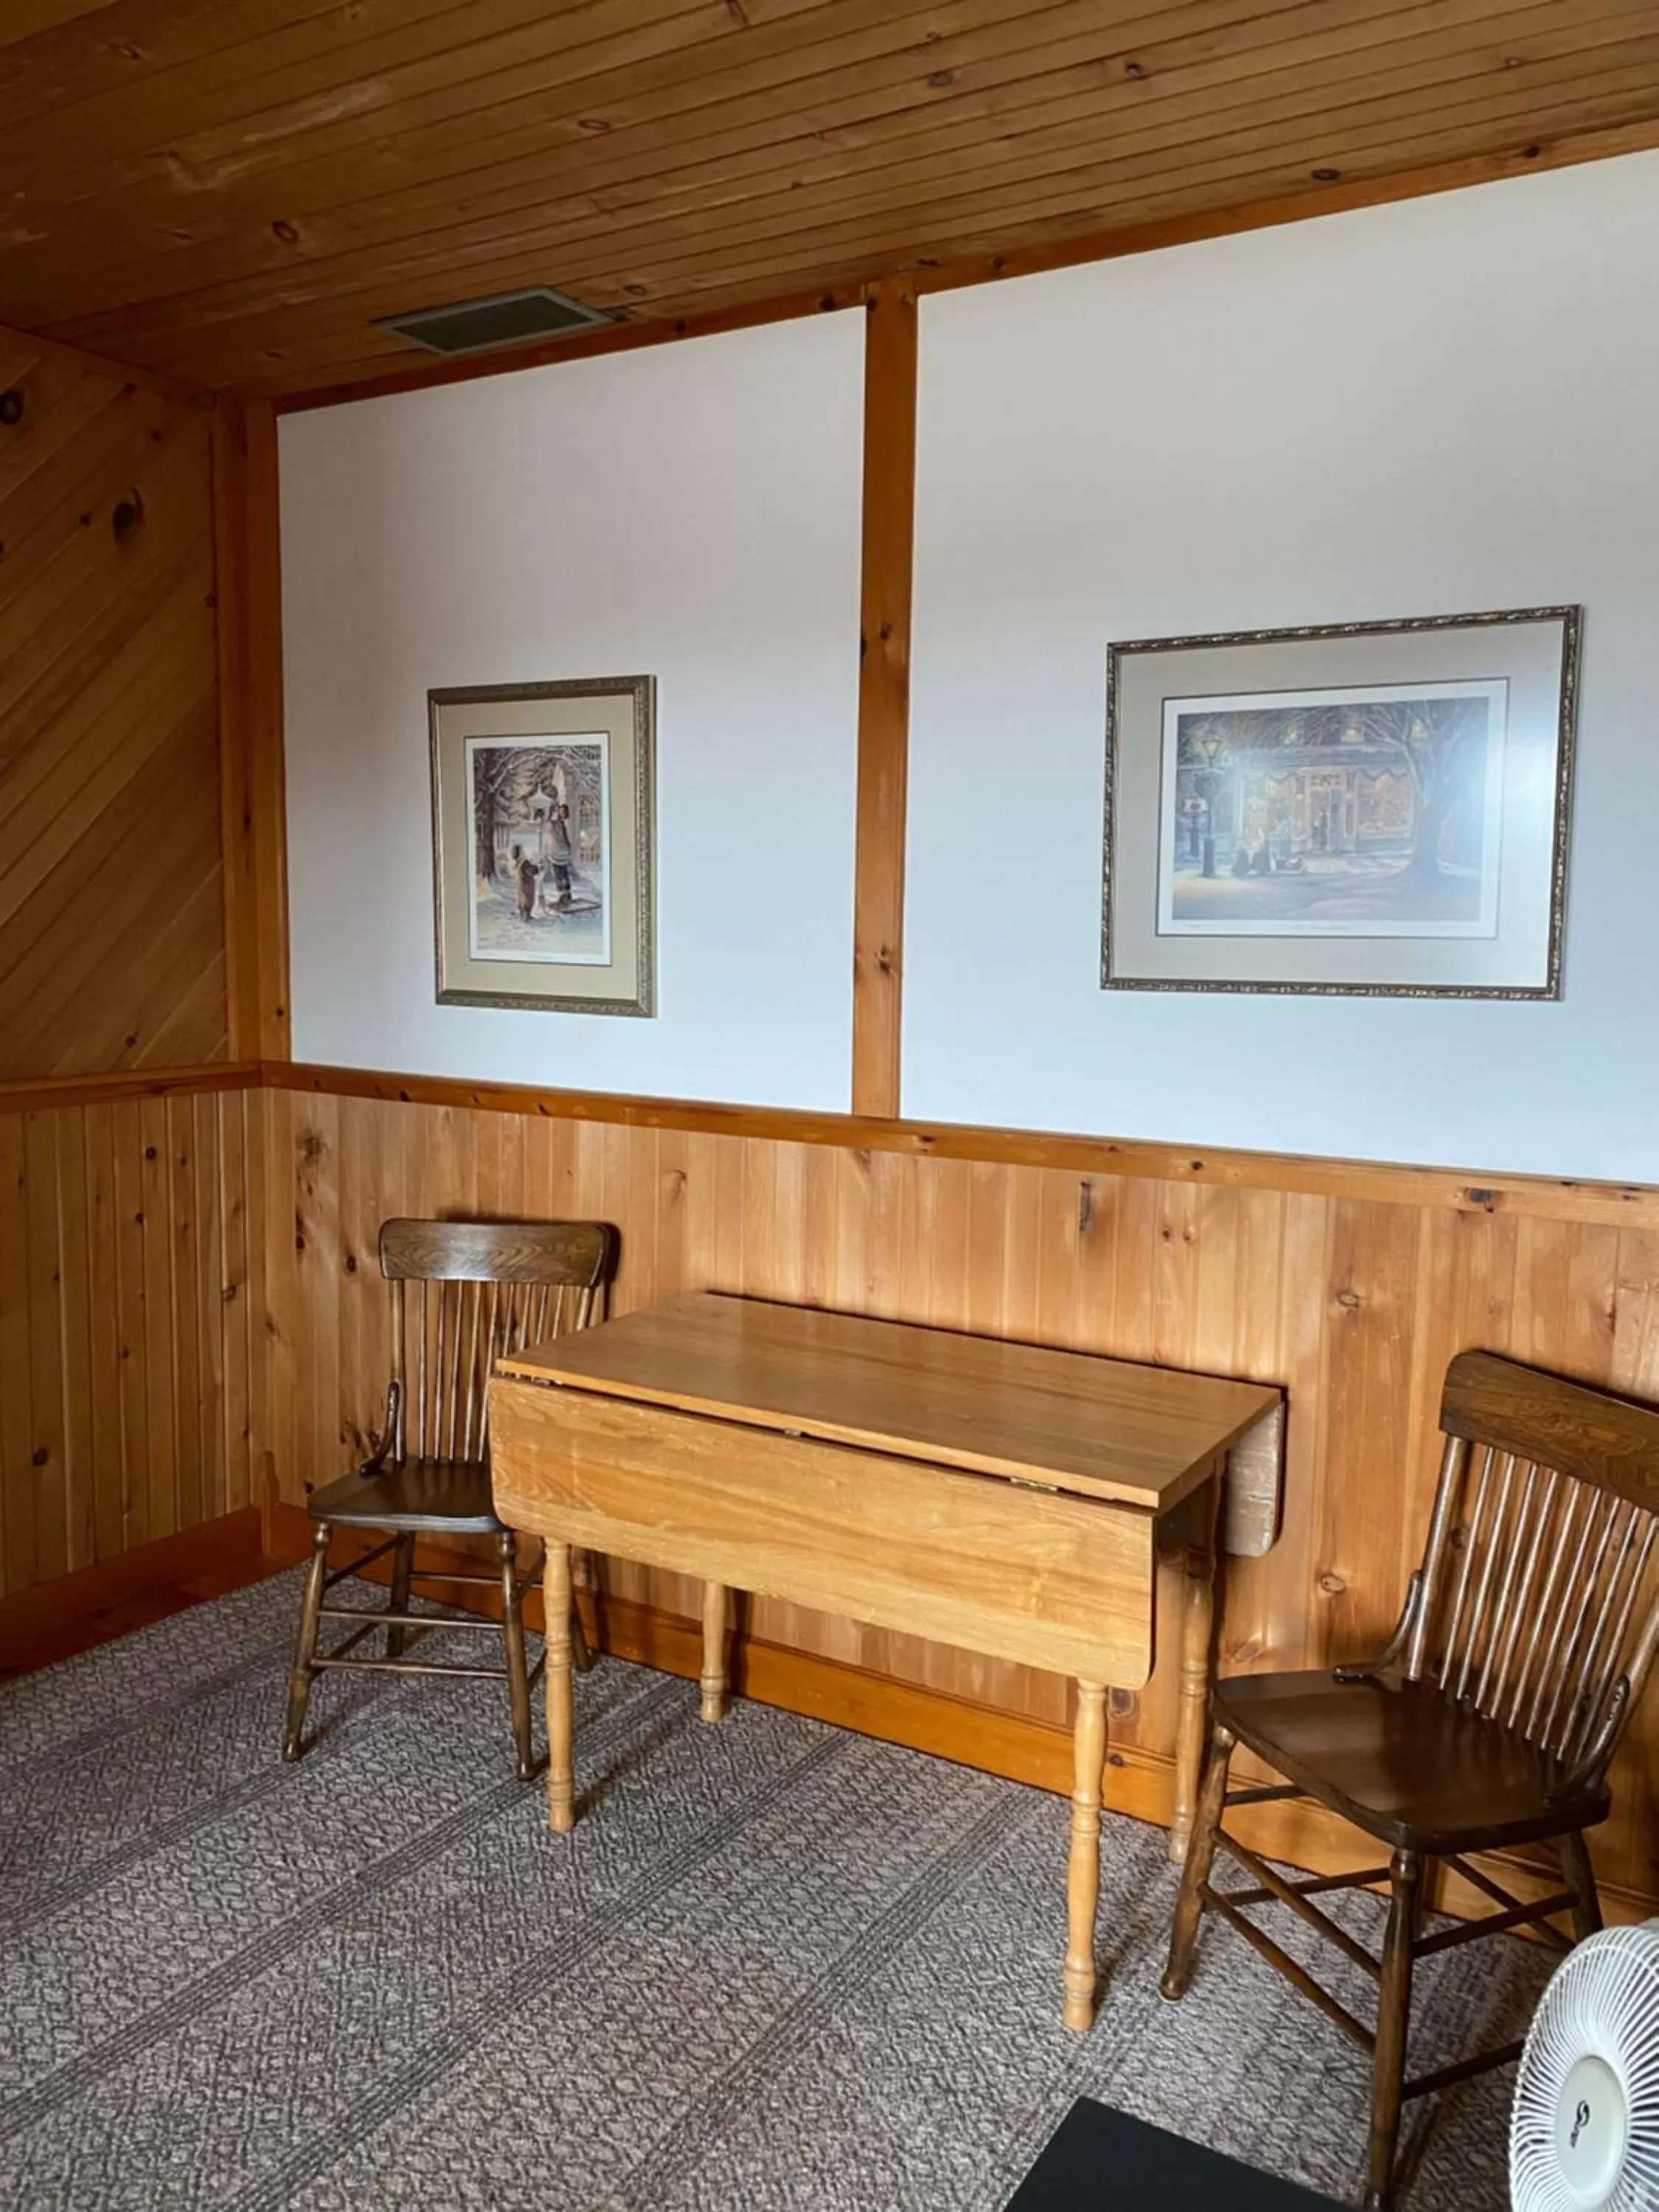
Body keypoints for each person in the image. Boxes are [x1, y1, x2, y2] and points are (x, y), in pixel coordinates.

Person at [546, 802, 574, 908]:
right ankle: (565, 895)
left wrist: (567, 847)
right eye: (560, 811)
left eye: (563, 812)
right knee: (562, 874)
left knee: (560, 874)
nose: (561, 813)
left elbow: (562, 838)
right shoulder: (558, 823)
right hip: (558, 851)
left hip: (559, 852)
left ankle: (564, 895)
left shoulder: (559, 824)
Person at [512, 844, 538, 921]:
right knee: (527, 899)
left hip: (522, 885)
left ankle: (524, 913)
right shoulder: (524, 862)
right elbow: (530, 871)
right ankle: (526, 914)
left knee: (522, 898)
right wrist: (536, 869)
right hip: (527, 885)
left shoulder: (518, 863)